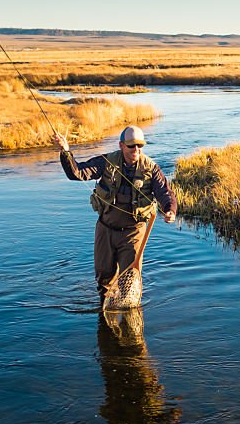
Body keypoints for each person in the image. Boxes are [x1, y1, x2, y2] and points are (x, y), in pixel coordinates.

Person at [53, 126, 176, 301]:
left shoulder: (151, 168)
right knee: (104, 277)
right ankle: (105, 308)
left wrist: (170, 210)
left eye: (140, 145)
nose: (136, 149)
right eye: (131, 145)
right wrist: (65, 152)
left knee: (129, 281)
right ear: (121, 145)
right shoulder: (106, 162)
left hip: (133, 232)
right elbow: (77, 173)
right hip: (106, 229)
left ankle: (128, 316)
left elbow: (165, 193)